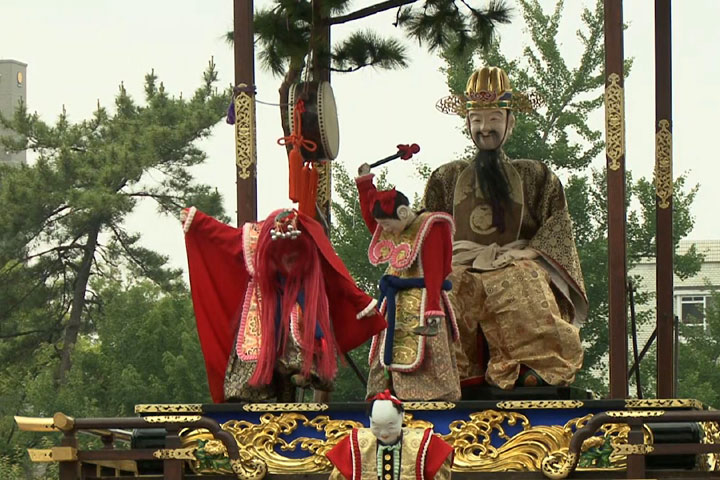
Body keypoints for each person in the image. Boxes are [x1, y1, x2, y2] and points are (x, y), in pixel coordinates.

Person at [425, 66, 587, 390]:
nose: (485, 128)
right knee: (440, 287)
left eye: (494, 119)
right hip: (459, 263)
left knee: (523, 279)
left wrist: (530, 252)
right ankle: (443, 371)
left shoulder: (537, 175)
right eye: (477, 120)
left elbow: (557, 230)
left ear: (510, 123)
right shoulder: (445, 178)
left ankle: (534, 367)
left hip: (516, 260)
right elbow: (428, 231)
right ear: (467, 124)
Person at [182, 207, 386, 402]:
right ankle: (252, 389)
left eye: (295, 257)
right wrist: (197, 220)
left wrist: (361, 301)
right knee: (257, 348)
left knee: (299, 337)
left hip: (299, 298)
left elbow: (335, 274)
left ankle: (303, 374)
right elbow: (222, 236)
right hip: (264, 303)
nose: (289, 262)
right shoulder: (253, 237)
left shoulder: (309, 242)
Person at [355, 170, 461, 401]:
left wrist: (434, 308)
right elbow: (372, 220)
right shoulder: (396, 225)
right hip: (396, 302)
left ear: (403, 213)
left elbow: (434, 270)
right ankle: (385, 394)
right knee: (386, 348)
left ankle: (431, 398)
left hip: (424, 301)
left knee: (428, 347)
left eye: (387, 225)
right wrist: (365, 184)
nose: (385, 231)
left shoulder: (432, 225)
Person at [326, 390, 453, 480]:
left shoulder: (425, 444)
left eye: (390, 426)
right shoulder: (354, 445)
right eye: (376, 426)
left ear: (402, 417)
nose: (384, 433)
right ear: (369, 419)